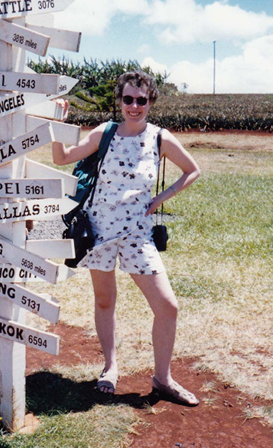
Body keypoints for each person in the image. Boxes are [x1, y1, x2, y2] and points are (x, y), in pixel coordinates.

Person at [52, 71, 201, 405]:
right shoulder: (104, 133)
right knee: (105, 301)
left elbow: (192, 170)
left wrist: (161, 199)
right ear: (119, 101)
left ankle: (163, 379)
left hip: (137, 234)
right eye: (128, 99)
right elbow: (61, 158)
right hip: (99, 231)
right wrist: (57, 126)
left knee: (168, 306)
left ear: (151, 102)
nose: (134, 106)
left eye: (141, 100)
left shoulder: (160, 138)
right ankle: (110, 367)